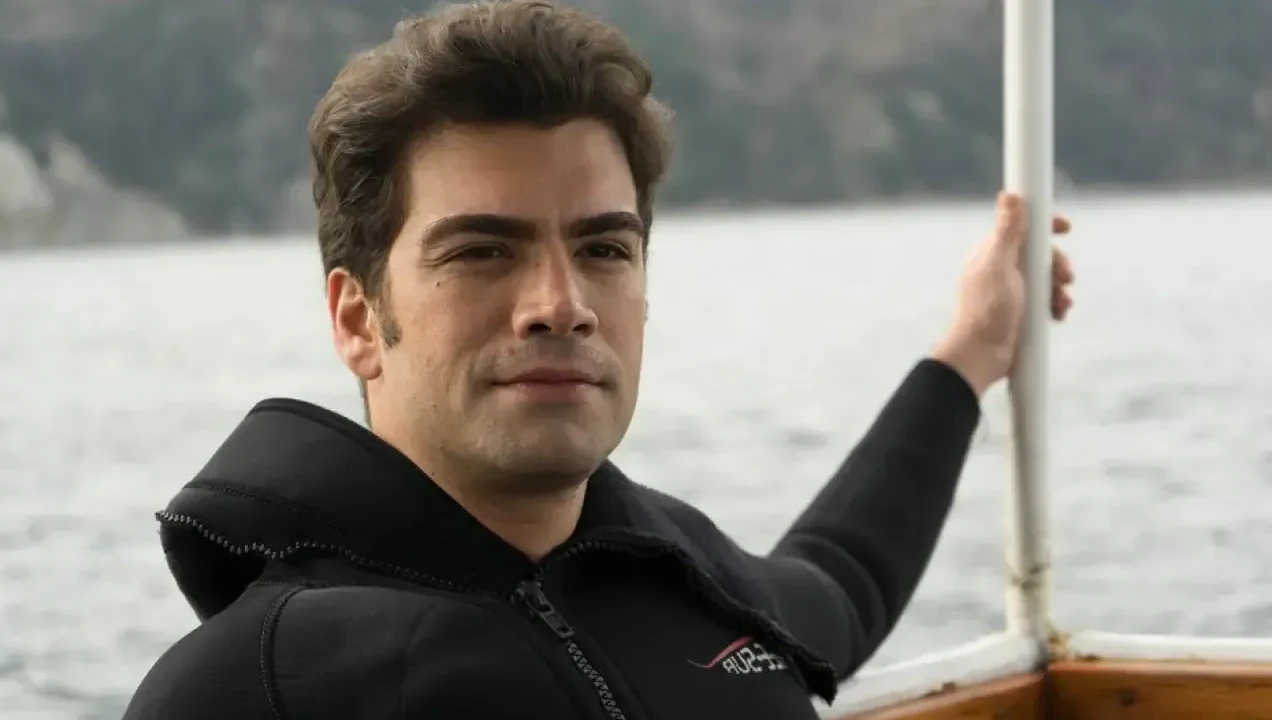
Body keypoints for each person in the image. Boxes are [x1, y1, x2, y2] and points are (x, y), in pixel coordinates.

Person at [121, 2, 1076, 719]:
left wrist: (971, 352)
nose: (561, 303)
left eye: (604, 248)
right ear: (358, 319)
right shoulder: (255, 687)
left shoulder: (682, 579)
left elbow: (839, 585)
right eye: (482, 251)